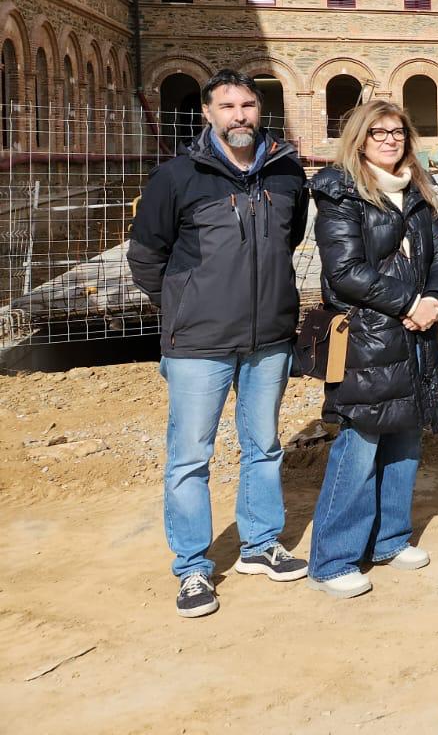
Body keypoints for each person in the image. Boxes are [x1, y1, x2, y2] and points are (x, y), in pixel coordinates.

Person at [128, 68, 311, 618]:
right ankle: (192, 568)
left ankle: (259, 544)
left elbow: (290, 236)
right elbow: (145, 255)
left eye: (249, 105)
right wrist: (183, 308)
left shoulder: (285, 173)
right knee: (190, 457)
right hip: (198, 345)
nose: (240, 115)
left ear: (261, 110)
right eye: (227, 106)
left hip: (269, 338)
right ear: (207, 113)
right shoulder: (177, 177)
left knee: (264, 446)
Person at [305, 101, 438, 597]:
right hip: (366, 335)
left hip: (415, 333)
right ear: (359, 139)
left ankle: (390, 538)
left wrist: (432, 298)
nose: (390, 140)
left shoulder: (415, 191)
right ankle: (332, 559)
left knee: (406, 437)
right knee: (360, 442)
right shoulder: (341, 192)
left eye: (397, 132)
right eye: (378, 132)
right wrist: (408, 301)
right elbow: (343, 272)